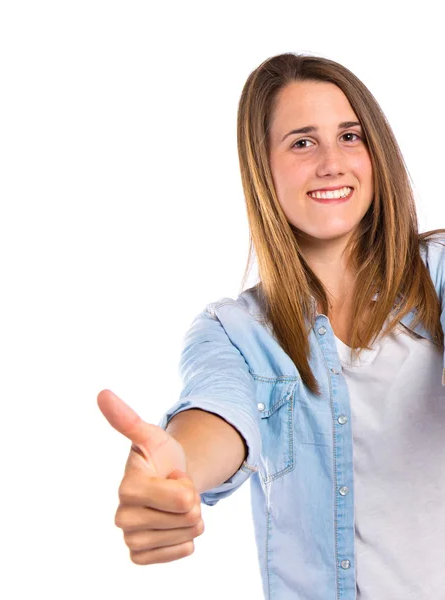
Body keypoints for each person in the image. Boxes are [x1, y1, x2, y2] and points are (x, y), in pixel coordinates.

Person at [97, 52, 445, 599]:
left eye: (350, 136)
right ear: (264, 167)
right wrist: (176, 470)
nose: (332, 162)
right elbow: (217, 414)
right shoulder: (235, 332)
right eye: (303, 142)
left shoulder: (439, 273)